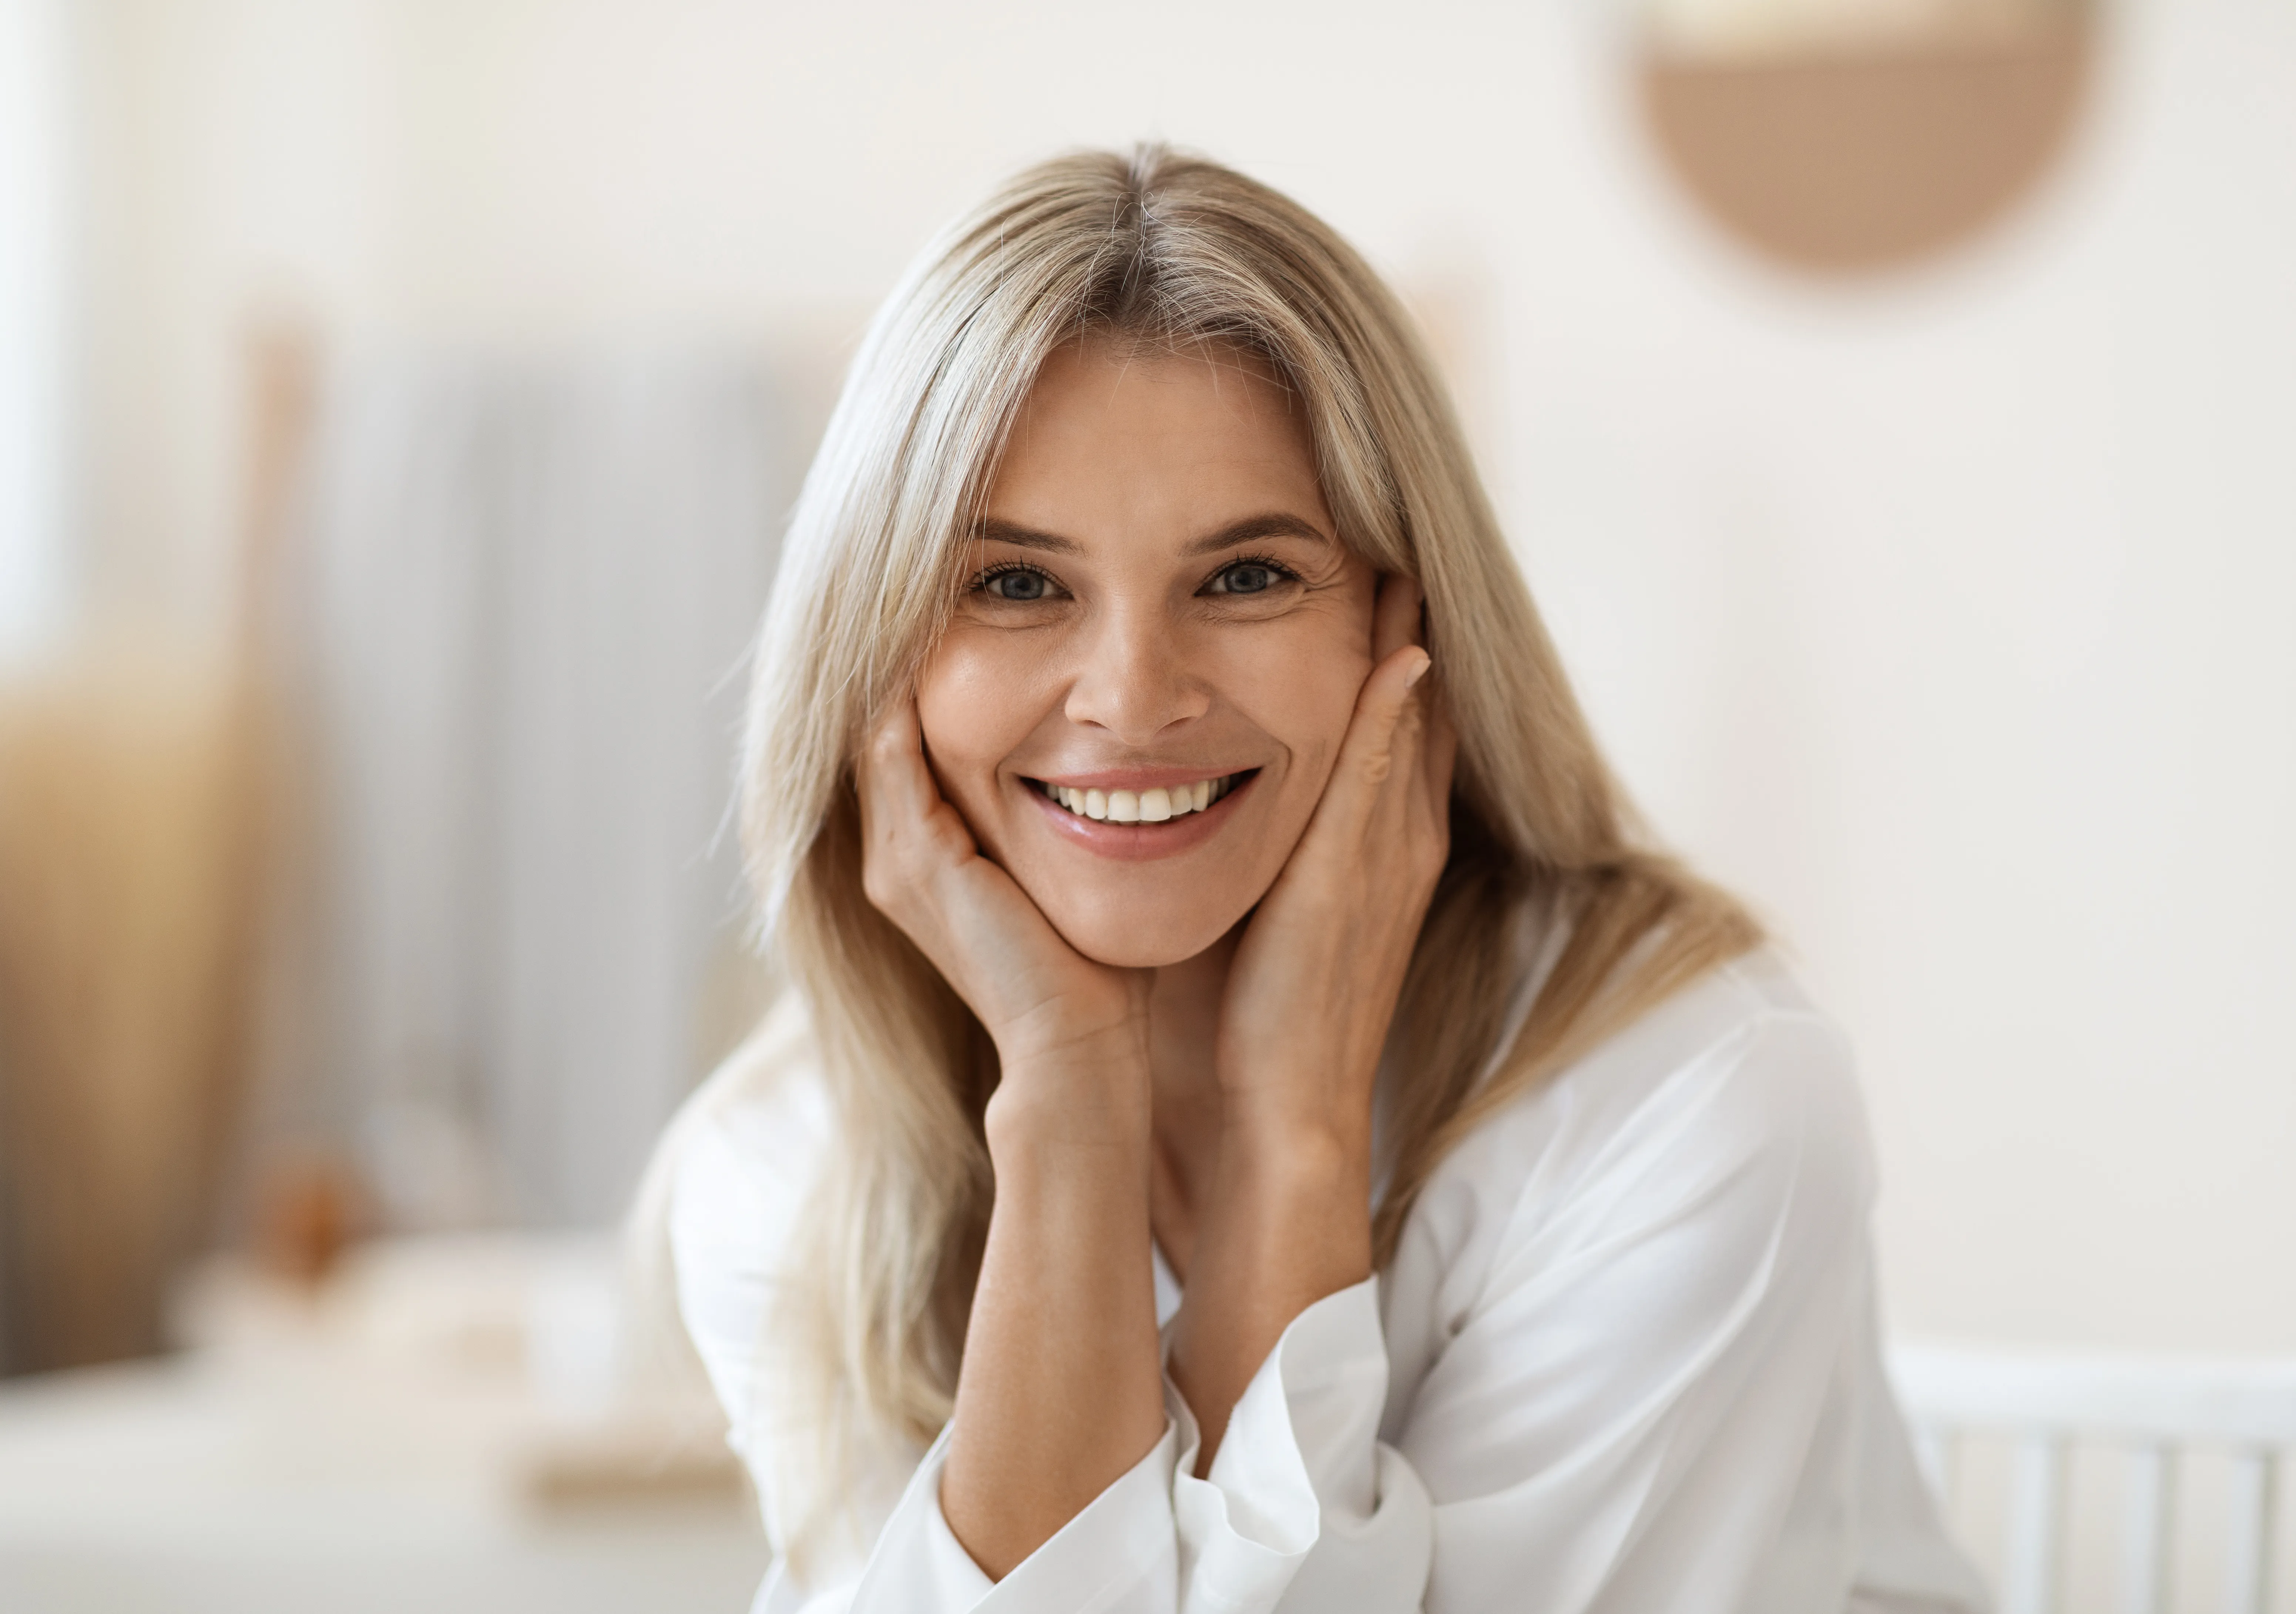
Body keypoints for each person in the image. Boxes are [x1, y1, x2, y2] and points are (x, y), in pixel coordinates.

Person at [648, 146, 1990, 1614]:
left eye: (1247, 576)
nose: (1133, 696)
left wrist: (1296, 1128)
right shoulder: (793, 1171)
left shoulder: (1689, 1103)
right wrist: (1069, 1100)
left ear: (1401, 626)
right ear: (873, 657)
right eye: (1016, 583)